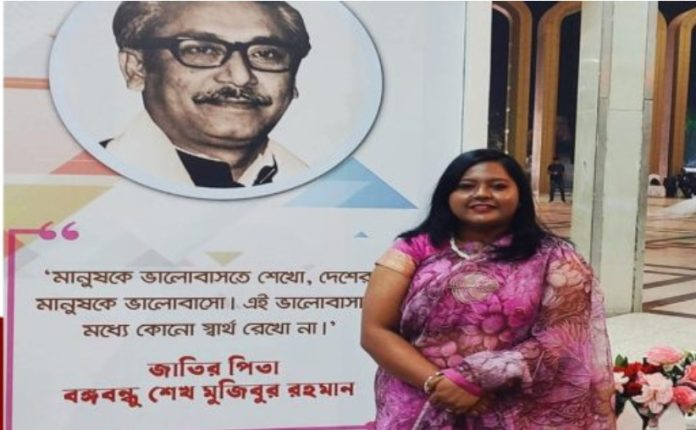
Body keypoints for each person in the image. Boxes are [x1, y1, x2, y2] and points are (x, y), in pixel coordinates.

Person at [361, 149, 615, 429]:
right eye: (466, 186)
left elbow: (564, 338)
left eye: (498, 186)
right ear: (447, 195)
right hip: (419, 397)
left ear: (520, 197)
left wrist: (478, 377)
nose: (481, 194)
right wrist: (438, 383)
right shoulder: (412, 249)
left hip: (514, 407)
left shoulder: (556, 258)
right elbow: (375, 330)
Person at [104, 1, 311, 188]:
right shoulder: (87, 188)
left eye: (266, 54)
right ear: (136, 69)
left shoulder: (319, 193)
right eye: (202, 50)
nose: (240, 77)